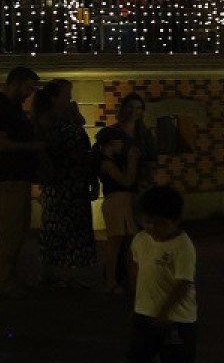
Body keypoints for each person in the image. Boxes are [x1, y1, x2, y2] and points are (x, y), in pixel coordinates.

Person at [127, 185, 199, 363]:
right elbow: (138, 268)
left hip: (177, 320)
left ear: (176, 221)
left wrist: (164, 311)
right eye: (146, 222)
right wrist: (138, 302)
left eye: (158, 223)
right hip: (144, 315)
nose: (151, 228)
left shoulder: (182, 246)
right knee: (137, 358)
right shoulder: (140, 240)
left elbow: (183, 283)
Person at [0, 65, 42, 296]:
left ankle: (8, 277)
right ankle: (2, 280)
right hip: (5, 178)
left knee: (17, 230)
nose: (30, 93)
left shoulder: (12, 108)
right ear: (15, 83)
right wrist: (32, 146)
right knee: (8, 231)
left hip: (14, 177)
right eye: (28, 87)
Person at [33, 79, 94, 286]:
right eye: (66, 96)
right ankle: (65, 275)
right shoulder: (62, 124)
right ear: (54, 99)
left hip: (58, 183)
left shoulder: (47, 122)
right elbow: (77, 150)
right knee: (68, 229)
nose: (70, 99)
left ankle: (50, 271)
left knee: (54, 228)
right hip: (68, 184)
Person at [106, 93, 158, 289]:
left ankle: (137, 276)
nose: (134, 111)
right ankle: (120, 276)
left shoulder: (144, 134)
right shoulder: (113, 133)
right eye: (131, 107)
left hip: (141, 188)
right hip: (120, 189)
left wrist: (147, 177)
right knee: (121, 236)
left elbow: (153, 159)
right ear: (123, 108)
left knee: (140, 234)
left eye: (138, 108)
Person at [93, 127, 139, 297]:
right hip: (116, 203)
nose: (123, 145)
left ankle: (126, 280)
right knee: (115, 243)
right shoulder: (106, 163)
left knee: (126, 244)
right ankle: (110, 281)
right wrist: (132, 161)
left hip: (122, 203)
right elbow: (127, 181)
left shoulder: (111, 161)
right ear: (111, 144)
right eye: (121, 142)